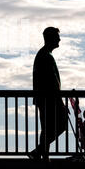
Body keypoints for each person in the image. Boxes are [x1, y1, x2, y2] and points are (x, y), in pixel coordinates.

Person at [28, 27, 67, 161]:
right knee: (60, 125)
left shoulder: (43, 55)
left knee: (47, 128)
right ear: (51, 38)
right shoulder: (46, 56)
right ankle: (40, 152)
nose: (59, 39)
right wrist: (60, 101)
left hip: (43, 98)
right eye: (57, 37)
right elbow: (52, 82)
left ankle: (42, 155)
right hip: (49, 98)